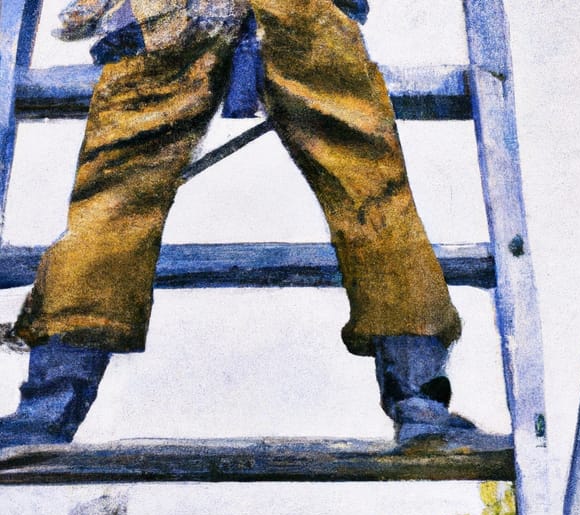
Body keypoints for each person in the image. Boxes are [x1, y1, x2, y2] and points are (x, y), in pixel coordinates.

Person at [0, 0, 475, 448]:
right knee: (372, 196)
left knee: (114, 203)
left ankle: (48, 409)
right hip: (299, 11)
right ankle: (419, 404)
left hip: (168, 13)